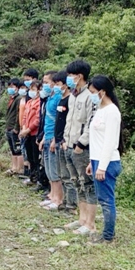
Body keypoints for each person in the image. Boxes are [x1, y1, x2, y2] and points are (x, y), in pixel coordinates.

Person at [86, 75, 122, 243]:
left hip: (107, 162)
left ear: (102, 91)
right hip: (97, 160)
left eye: (93, 92)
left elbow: (109, 143)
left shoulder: (112, 112)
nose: (92, 95)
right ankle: (107, 233)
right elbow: (97, 140)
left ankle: (108, 235)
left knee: (107, 201)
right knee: (102, 199)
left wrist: (101, 167)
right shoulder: (99, 110)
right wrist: (91, 162)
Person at [63, 60, 97, 235]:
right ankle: (81, 218)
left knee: (88, 185)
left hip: (81, 148)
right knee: (76, 183)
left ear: (80, 76)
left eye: (71, 75)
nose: (69, 78)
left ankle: (90, 224)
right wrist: (65, 139)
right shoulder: (73, 95)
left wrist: (81, 143)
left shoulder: (89, 97)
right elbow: (70, 120)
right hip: (68, 144)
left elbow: (91, 122)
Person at [51, 71, 76, 213]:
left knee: (69, 176)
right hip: (59, 140)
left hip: (65, 141)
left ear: (65, 85)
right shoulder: (61, 99)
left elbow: (69, 122)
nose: (56, 87)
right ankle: (66, 201)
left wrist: (64, 139)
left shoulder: (70, 99)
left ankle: (71, 205)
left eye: (58, 84)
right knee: (63, 174)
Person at [39, 71, 62, 209]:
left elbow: (59, 121)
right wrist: (43, 138)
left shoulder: (58, 97)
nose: (44, 85)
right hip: (46, 136)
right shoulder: (50, 97)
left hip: (53, 138)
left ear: (54, 83)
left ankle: (58, 199)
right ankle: (52, 195)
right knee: (48, 169)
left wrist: (54, 138)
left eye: (47, 82)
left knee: (54, 170)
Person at [19, 80, 41, 186]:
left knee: (36, 157)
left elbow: (37, 120)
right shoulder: (29, 102)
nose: (31, 92)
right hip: (26, 133)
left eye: (34, 89)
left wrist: (28, 130)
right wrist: (24, 128)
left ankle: (37, 178)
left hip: (34, 133)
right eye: (30, 89)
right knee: (29, 156)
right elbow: (24, 117)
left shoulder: (39, 102)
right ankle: (32, 177)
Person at [4, 78, 24, 176]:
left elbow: (18, 114)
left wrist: (17, 128)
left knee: (18, 149)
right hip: (9, 127)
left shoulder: (18, 99)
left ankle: (19, 169)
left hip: (14, 128)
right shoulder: (12, 99)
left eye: (12, 86)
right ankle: (14, 167)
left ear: (17, 88)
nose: (10, 89)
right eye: (9, 86)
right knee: (13, 149)